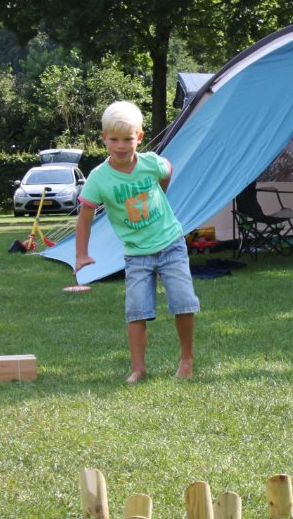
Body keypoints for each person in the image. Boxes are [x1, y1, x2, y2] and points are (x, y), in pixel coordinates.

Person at [74, 101, 199, 383]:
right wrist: (81, 254)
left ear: (139, 138)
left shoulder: (150, 163)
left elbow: (166, 171)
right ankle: (138, 368)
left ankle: (186, 360)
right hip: (136, 254)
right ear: (104, 139)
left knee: (183, 302)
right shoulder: (98, 178)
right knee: (137, 310)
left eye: (128, 139)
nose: (121, 146)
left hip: (170, 244)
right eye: (114, 139)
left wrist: (161, 196)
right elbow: (84, 218)